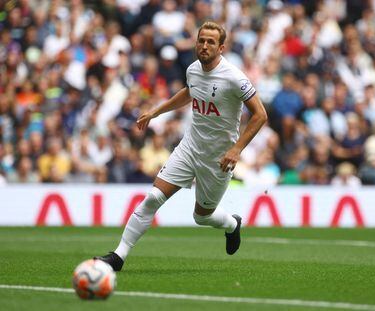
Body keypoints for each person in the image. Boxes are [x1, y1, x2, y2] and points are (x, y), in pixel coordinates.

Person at [95, 21, 267, 271]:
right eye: (201, 40)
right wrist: (156, 111)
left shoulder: (234, 77)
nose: (205, 45)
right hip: (190, 147)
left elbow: (260, 115)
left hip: (218, 157)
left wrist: (236, 149)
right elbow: (189, 93)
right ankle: (118, 256)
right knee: (153, 198)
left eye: (211, 42)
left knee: (202, 216)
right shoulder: (193, 69)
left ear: (221, 47)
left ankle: (232, 224)